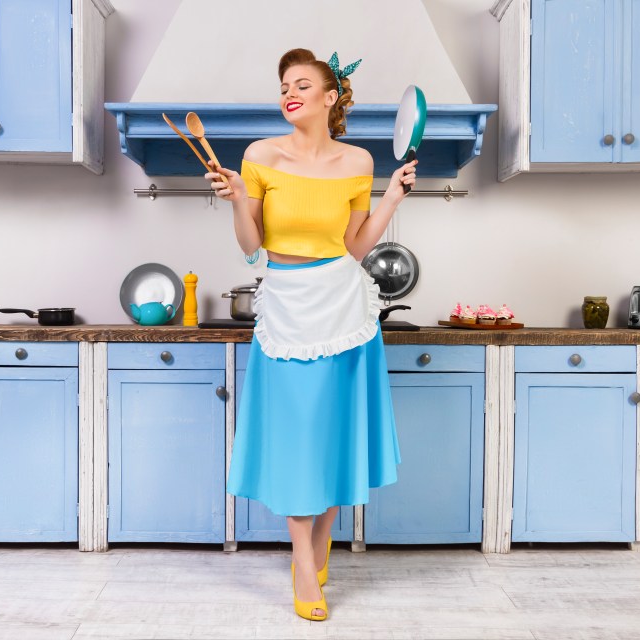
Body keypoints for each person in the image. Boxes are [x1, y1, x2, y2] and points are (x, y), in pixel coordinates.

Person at [204, 47, 416, 621]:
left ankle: (318, 546)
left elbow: (355, 246)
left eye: (301, 84)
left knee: (332, 435)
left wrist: (392, 195)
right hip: (288, 304)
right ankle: (305, 564)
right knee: (298, 438)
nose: (288, 93)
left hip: (344, 303)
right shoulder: (259, 156)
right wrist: (237, 200)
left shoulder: (358, 163)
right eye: (282, 86)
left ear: (331, 97)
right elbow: (251, 245)